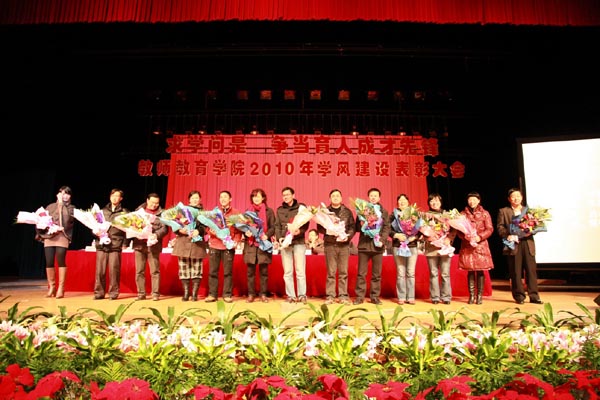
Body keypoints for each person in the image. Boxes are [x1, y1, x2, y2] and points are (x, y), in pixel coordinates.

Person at [497, 188, 543, 305]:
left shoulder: (528, 211)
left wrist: (530, 230)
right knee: (516, 271)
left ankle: (534, 296)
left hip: (527, 242)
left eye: (518, 196)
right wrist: (508, 235)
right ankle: (519, 296)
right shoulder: (504, 211)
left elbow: (536, 225)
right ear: (509, 199)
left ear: (522, 197)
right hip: (514, 243)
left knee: (531, 271)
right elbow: (500, 227)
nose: (516, 198)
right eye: (513, 196)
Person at [316, 189, 356, 305]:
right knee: (331, 272)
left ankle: (343, 295)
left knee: (343, 272)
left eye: (338, 195)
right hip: (330, 244)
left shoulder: (347, 212)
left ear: (341, 198)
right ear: (330, 198)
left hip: (344, 245)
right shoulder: (325, 211)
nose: (335, 197)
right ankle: (330, 296)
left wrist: (347, 237)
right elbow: (319, 227)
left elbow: (352, 227)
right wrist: (329, 231)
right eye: (333, 196)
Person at [353, 187, 391, 305]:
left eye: (375, 196)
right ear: (368, 197)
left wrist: (382, 240)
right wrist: (362, 224)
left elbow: (387, 227)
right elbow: (357, 228)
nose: (373, 197)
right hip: (364, 245)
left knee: (376, 274)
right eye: (371, 195)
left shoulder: (384, 212)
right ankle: (359, 297)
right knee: (361, 273)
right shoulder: (363, 210)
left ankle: (375, 297)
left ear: (379, 198)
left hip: (378, 245)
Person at [37, 186, 75, 299]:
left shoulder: (71, 208)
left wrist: (61, 204)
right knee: (49, 262)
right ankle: (52, 287)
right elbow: (42, 220)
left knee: (60, 260)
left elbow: (66, 220)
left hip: (62, 236)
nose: (64, 196)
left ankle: (61, 288)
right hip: (50, 236)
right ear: (58, 194)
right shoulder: (50, 206)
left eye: (67, 193)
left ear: (70, 196)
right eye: (62, 193)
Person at [205, 190, 242, 303]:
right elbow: (207, 228)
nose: (223, 199)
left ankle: (227, 294)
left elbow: (239, 230)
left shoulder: (236, 213)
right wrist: (211, 232)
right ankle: (212, 294)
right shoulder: (214, 212)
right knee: (213, 272)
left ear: (230, 199)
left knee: (228, 272)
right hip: (214, 244)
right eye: (221, 197)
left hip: (228, 246)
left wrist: (236, 241)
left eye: (225, 197)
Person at [457, 191, 494, 305]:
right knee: (470, 271)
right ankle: (472, 295)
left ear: (478, 200)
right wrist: (465, 236)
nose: (471, 201)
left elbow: (489, 229)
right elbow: (458, 231)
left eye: (474, 199)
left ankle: (479, 296)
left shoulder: (485, 214)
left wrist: (479, 237)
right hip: (468, 245)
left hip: (480, 245)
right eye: (470, 199)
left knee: (480, 271)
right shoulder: (462, 214)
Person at [275, 186, 310, 304]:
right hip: (285, 243)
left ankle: (302, 295)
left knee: (300, 271)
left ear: (293, 195)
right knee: (288, 272)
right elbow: (277, 225)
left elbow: (306, 224)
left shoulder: (301, 208)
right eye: (284, 195)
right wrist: (279, 238)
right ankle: (290, 295)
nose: (285, 197)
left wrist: (299, 231)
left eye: (288, 194)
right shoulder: (280, 210)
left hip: (298, 242)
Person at [93, 188, 129, 300]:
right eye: (113, 196)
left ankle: (113, 293)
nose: (115, 198)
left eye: (117, 196)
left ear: (121, 198)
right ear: (110, 197)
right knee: (100, 270)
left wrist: (125, 243)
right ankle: (99, 292)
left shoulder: (124, 212)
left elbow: (128, 230)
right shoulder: (102, 211)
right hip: (102, 244)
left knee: (114, 270)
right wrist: (96, 232)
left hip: (116, 244)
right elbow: (94, 226)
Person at [171, 190, 207, 302]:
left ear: (200, 199)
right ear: (189, 200)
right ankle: (186, 293)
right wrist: (179, 230)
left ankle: (195, 294)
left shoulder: (203, 212)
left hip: (197, 243)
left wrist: (198, 231)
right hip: (183, 242)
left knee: (197, 269)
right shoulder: (182, 211)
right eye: (193, 198)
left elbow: (206, 227)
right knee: (184, 269)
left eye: (197, 198)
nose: (195, 200)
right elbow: (174, 224)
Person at [132, 193, 168, 301]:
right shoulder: (138, 211)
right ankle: (141, 293)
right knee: (139, 271)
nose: (154, 205)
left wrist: (156, 234)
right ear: (147, 201)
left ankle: (155, 293)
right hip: (139, 244)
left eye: (156, 203)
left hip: (153, 245)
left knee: (155, 271)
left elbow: (165, 228)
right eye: (152, 202)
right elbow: (131, 225)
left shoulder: (162, 213)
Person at [243, 188, 276, 303]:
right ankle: (251, 294)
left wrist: (267, 235)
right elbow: (243, 227)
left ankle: (263, 294)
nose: (256, 198)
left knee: (264, 272)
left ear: (263, 198)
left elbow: (273, 227)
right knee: (250, 272)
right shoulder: (247, 211)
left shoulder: (269, 211)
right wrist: (246, 232)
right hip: (251, 245)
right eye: (254, 196)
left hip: (263, 244)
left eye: (258, 196)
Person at [423, 193, 456, 305]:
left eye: (436, 200)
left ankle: (446, 297)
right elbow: (421, 230)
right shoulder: (425, 216)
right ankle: (435, 297)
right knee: (433, 273)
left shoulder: (447, 215)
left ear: (441, 202)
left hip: (445, 247)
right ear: (429, 203)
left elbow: (454, 229)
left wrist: (449, 238)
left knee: (445, 273)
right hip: (431, 247)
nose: (434, 203)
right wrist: (428, 237)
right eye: (432, 201)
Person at [390, 194, 421, 305]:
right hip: (398, 246)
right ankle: (402, 297)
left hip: (412, 246)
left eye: (404, 200)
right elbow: (388, 229)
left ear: (408, 202)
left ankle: (411, 297)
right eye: (400, 200)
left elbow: (421, 229)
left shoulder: (414, 214)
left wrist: (414, 237)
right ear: (397, 203)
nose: (402, 201)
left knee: (410, 273)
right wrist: (396, 235)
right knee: (401, 272)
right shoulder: (393, 215)